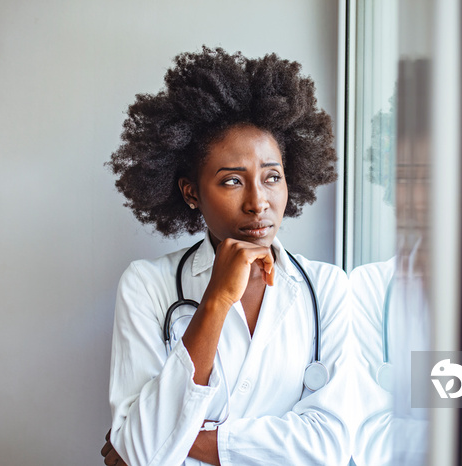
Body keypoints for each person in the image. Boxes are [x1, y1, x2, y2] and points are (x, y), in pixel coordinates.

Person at [101, 47, 352, 466]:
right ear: (191, 192)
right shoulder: (147, 285)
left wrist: (187, 440)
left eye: (272, 177)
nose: (259, 202)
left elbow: (330, 444)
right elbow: (143, 455)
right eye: (232, 181)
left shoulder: (327, 287)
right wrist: (215, 302)